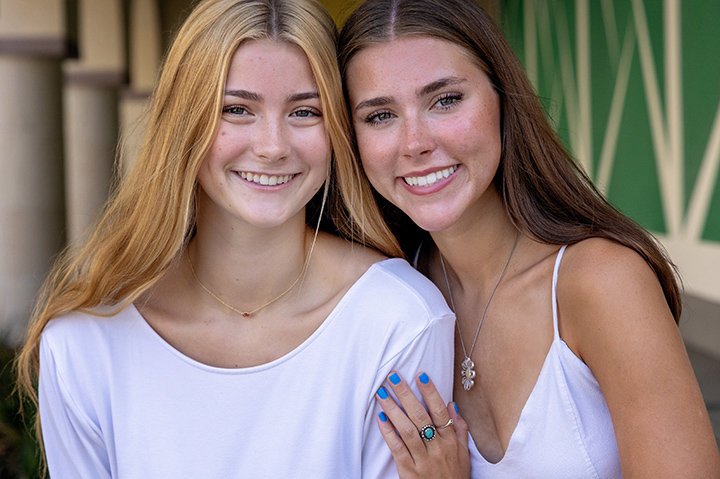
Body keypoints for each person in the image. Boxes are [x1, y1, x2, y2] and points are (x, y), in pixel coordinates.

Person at [14, 0, 456, 477]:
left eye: (305, 111)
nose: (272, 146)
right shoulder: (85, 345)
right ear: (185, 125)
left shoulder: (398, 322)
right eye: (237, 109)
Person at [337, 0, 720, 477]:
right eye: (379, 116)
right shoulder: (389, 297)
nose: (415, 142)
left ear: (502, 97)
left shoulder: (601, 282)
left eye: (446, 100)